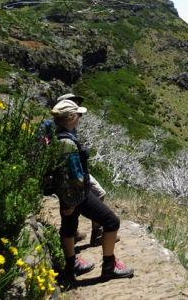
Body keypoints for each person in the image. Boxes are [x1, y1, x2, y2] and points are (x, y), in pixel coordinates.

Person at [50, 99, 133, 286]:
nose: (80, 117)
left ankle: (71, 265)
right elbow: (74, 175)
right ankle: (109, 266)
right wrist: (72, 202)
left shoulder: (57, 135)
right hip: (77, 195)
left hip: (65, 194)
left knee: (68, 228)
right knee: (112, 221)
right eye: (78, 114)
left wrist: (65, 201)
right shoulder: (67, 143)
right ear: (70, 117)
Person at [55, 93, 112, 247]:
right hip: (72, 175)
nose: (79, 112)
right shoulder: (60, 132)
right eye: (75, 106)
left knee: (97, 194)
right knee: (78, 206)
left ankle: (80, 234)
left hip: (78, 172)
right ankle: (86, 235)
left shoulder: (69, 129)